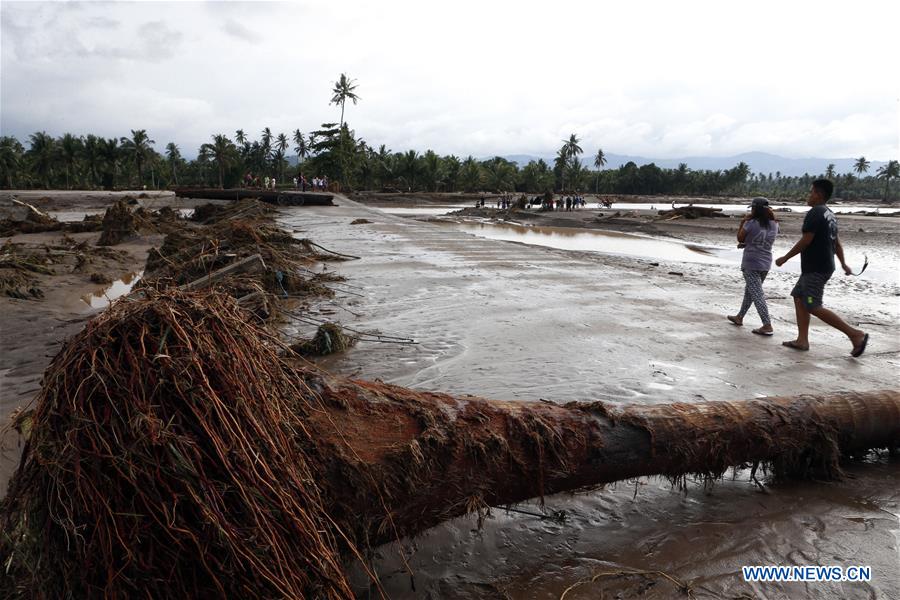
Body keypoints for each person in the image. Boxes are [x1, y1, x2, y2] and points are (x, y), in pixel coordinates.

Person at [775, 179, 868, 356]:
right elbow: (837, 243)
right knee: (799, 296)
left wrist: (785, 258)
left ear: (818, 194)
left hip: (816, 269)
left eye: (811, 192)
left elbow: (806, 240)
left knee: (812, 305)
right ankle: (802, 340)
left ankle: (855, 335)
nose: (809, 195)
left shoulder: (815, 213)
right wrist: (843, 264)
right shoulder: (829, 214)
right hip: (822, 266)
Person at [727, 197, 778, 335]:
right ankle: (740, 317)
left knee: (757, 294)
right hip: (766, 262)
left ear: (755, 209)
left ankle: (767, 324)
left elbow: (740, 237)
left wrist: (743, 221)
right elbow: (763, 241)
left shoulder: (751, 223)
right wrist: (747, 243)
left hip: (751, 262)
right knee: (750, 291)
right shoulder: (774, 224)